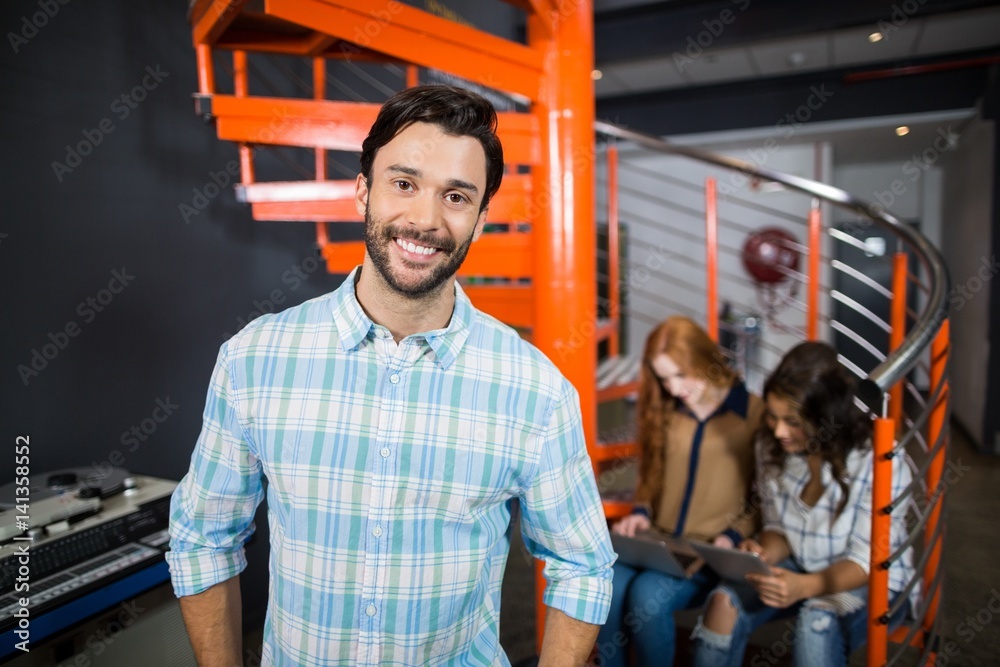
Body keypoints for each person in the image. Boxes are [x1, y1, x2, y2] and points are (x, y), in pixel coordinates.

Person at [167, 84, 615, 667]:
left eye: (456, 197)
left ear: (481, 220)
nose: (424, 219)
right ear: (362, 191)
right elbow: (203, 540)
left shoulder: (536, 390)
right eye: (404, 184)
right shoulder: (254, 360)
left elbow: (582, 565)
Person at [690, 341, 917, 667]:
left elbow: (867, 561)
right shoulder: (770, 445)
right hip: (803, 564)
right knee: (722, 603)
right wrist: (762, 552)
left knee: (817, 622)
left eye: (793, 421)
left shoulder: (880, 459)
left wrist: (806, 586)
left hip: (874, 581)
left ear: (826, 417)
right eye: (772, 416)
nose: (779, 430)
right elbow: (779, 529)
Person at [594, 316, 763, 666]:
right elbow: (653, 474)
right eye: (663, 378)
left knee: (645, 596)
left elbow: (764, 495)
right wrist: (640, 511)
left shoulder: (753, 413)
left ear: (702, 359)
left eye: (679, 375)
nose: (672, 388)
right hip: (656, 541)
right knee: (604, 583)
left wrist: (735, 534)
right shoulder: (666, 408)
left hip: (707, 550)